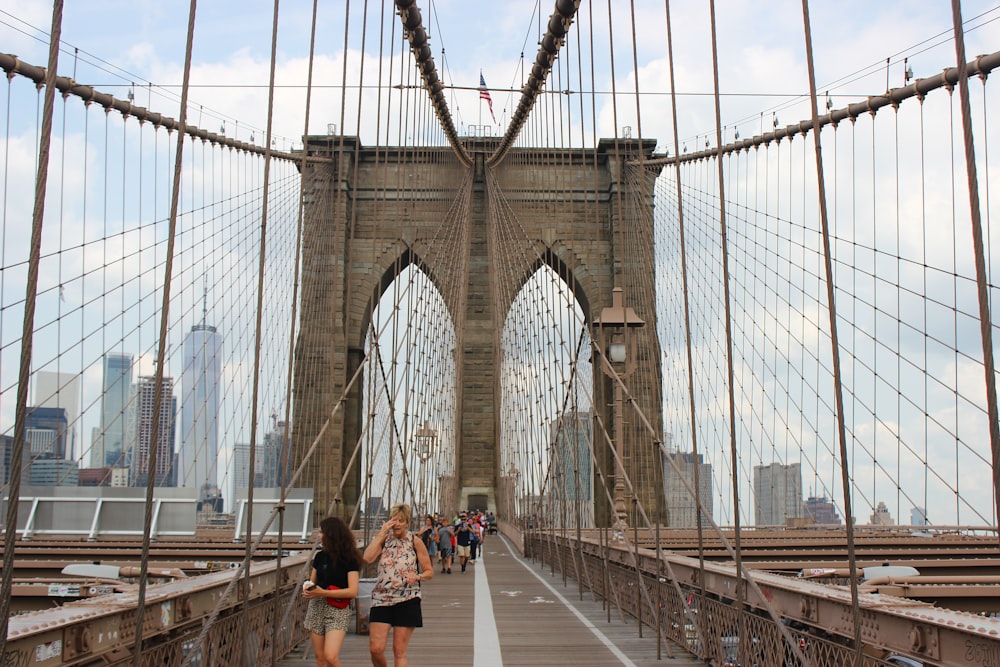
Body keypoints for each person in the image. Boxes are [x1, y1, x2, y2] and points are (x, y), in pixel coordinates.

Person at [363, 503, 433, 667]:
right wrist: (381, 533)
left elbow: (429, 571)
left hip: (407, 598)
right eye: (394, 520)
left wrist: (418, 576)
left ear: (407, 523)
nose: (397, 524)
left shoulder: (415, 542)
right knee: (375, 649)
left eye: (401, 520)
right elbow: (367, 558)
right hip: (381, 599)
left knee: (399, 651)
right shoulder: (384, 540)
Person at [301, 516, 363, 667]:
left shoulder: (350, 558)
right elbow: (313, 582)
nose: (319, 536)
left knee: (331, 657)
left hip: (338, 610)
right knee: (320, 658)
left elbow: (353, 591)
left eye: (321, 532)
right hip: (317, 607)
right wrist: (309, 589)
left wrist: (323, 593)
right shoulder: (320, 556)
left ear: (331, 534)